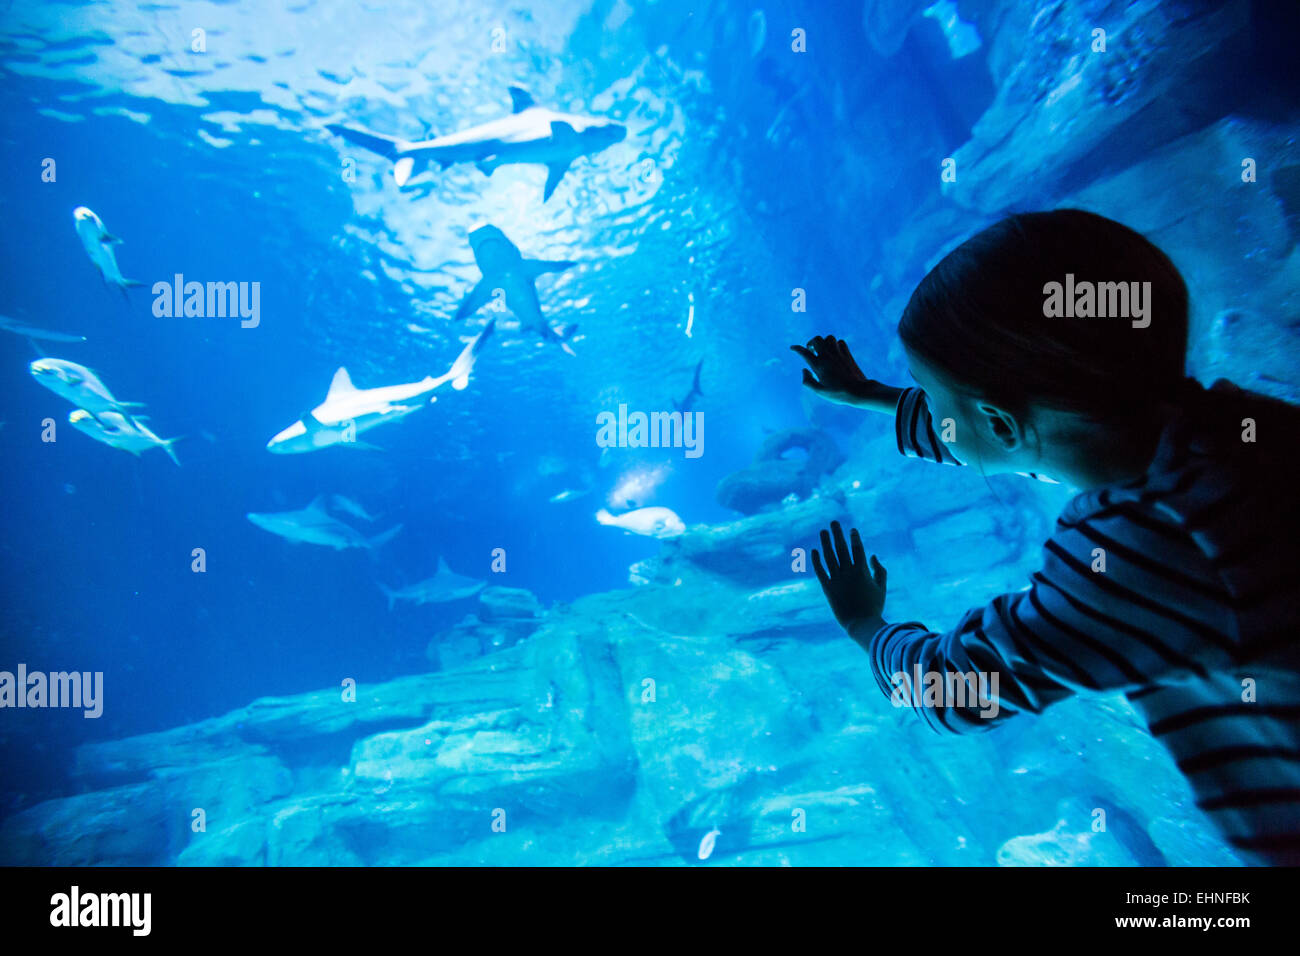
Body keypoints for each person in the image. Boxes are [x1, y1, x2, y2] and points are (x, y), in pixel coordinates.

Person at [793, 209, 1300, 865]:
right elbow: (1022, 434)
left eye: (929, 390)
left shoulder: (1145, 545)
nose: (928, 404)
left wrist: (865, 625)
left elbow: (960, 689)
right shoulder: (1236, 429)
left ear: (1001, 422)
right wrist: (871, 396)